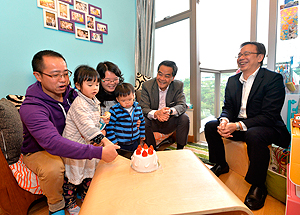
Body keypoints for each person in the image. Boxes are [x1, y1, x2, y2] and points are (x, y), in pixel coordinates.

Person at [20, 50, 119, 215]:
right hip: (40, 150)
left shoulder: (71, 94)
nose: (63, 80)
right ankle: (57, 206)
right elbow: (52, 143)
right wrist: (99, 151)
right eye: (55, 75)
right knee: (53, 168)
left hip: (70, 140)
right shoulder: (32, 108)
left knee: (89, 159)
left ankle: (81, 188)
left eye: (66, 74)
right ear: (38, 76)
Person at [204, 42, 291, 210]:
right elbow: (228, 107)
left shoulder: (273, 79)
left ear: (260, 57)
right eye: (239, 55)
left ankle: (259, 185)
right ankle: (221, 164)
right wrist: (224, 120)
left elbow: (269, 115)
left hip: (267, 126)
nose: (241, 58)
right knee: (210, 126)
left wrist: (236, 125)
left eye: (246, 54)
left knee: (254, 134)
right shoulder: (232, 80)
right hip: (240, 125)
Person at [61, 65, 110, 215]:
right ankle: (70, 204)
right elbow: (87, 127)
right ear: (78, 86)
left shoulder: (93, 100)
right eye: (90, 85)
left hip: (88, 144)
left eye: (96, 84)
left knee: (89, 172)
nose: (95, 88)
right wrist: (105, 142)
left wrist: (101, 123)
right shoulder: (79, 104)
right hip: (75, 146)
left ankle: (87, 198)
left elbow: (92, 122)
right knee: (73, 177)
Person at [139, 60, 190, 150]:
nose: (162, 78)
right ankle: (152, 149)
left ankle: (180, 149)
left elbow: (182, 105)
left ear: (172, 78)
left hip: (169, 121)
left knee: (184, 118)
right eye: (160, 74)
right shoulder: (147, 85)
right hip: (153, 121)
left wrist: (169, 111)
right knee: (143, 119)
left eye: (167, 76)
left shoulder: (178, 85)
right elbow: (143, 107)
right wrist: (157, 113)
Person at [106, 83, 146, 151]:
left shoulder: (138, 108)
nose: (127, 103)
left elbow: (142, 122)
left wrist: (142, 135)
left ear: (133, 96)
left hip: (135, 141)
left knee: (134, 158)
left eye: (130, 99)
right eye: (123, 101)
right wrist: (113, 141)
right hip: (121, 143)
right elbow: (110, 127)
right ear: (117, 100)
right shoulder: (114, 110)